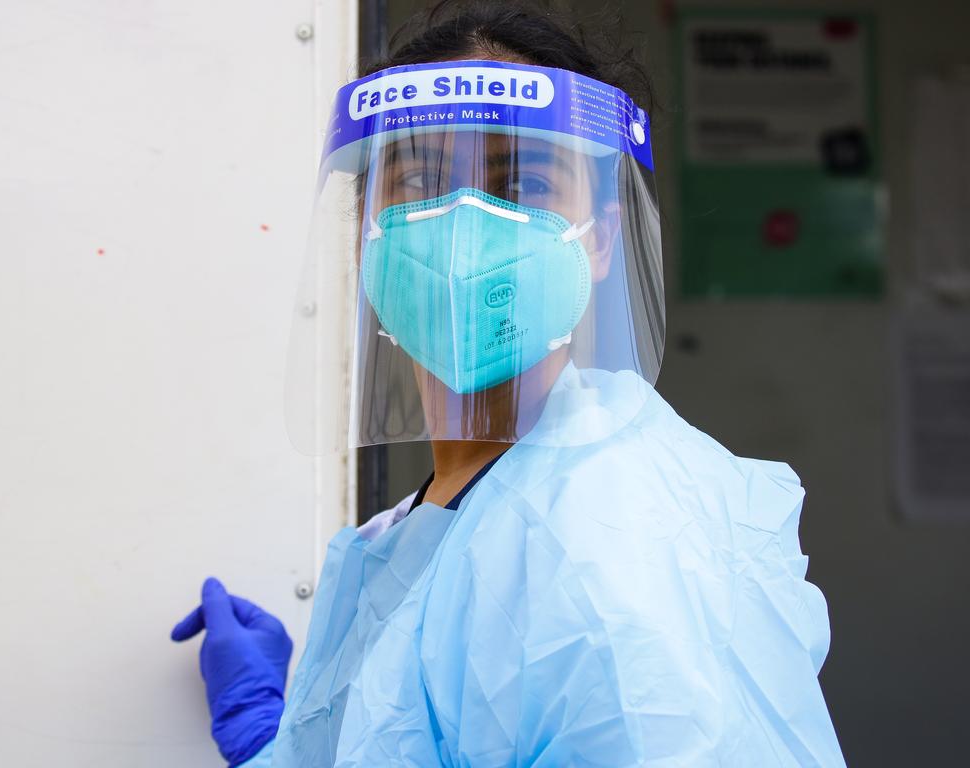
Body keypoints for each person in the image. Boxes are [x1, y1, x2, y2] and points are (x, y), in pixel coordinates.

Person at [172, 2, 846, 766]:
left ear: (601, 238)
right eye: (422, 177)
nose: (465, 222)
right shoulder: (434, 531)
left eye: (521, 180)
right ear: (365, 232)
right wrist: (273, 735)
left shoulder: (610, 541)